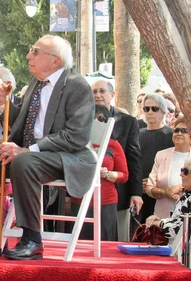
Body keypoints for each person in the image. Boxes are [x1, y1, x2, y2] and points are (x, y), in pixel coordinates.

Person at [0, 35, 95, 260]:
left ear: (55, 61)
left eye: (35, 51)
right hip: (32, 155)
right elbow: (21, 120)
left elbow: (76, 137)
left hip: (67, 156)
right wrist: (4, 103)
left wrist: (29, 150)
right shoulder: (36, 83)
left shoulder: (76, 86)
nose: (28, 55)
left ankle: (32, 239)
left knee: (23, 160)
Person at [91, 80, 143, 241]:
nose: (98, 95)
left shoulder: (127, 121)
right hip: (85, 192)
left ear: (112, 95)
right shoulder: (81, 119)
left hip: (117, 190)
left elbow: (134, 158)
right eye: (94, 92)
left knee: (112, 236)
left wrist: (136, 192)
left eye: (102, 91)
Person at [70, 105, 128, 241]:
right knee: (79, 241)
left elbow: (124, 175)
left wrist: (108, 174)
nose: (96, 122)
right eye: (92, 118)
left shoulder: (113, 145)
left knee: (104, 242)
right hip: (80, 198)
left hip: (106, 201)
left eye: (100, 118)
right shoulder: (76, 143)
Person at [145, 157, 191, 243]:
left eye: (185, 171)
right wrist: (159, 220)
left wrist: (161, 224)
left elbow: (188, 230)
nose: (181, 174)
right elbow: (176, 220)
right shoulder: (186, 195)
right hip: (176, 247)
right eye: (181, 170)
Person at [146, 118, 191, 219]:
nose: (179, 133)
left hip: (190, 215)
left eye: (184, 131)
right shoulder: (161, 155)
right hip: (164, 216)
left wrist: (181, 187)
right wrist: (166, 192)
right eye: (176, 130)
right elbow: (149, 188)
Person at [138, 93, 174, 225]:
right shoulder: (137, 134)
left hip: (162, 192)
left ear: (163, 111)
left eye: (154, 109)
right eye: (146, 109)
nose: (150, 112)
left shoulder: (171, 135)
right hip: (139, 191)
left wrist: (154, 184)